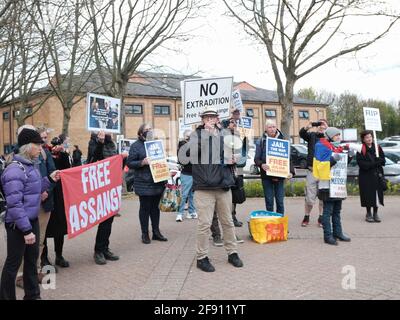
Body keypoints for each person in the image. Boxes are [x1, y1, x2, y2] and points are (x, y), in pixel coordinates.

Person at [0, 128, 60, 300]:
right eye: (38, 145)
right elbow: (14, 203)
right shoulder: (14, 170)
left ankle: (33, 295)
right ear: (27, 146)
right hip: (18, 225)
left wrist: (49, 179)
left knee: (31, 262)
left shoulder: (31, 166)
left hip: (31, 221)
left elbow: (33, 191)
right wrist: (26, 231)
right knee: (13, 264)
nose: (41, 148)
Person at [188, 106, 243, 272]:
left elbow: (237, 155)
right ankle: (202, 257)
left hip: (223, 185)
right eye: (207, 117)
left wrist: (235, 158)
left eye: (214, 117)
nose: (211, 119)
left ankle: (232, 252)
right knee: (204, 224)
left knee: (227, 221)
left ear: (218, 119)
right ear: (203, 120)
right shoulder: (195, 135)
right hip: (204, 187)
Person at [15, 126, 57, 289]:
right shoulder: (16, 158)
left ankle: (35, 270)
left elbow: (52, 172)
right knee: (23, 241)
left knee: (39, 241)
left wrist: (46, 189)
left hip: (44, 204)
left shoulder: (44, 153)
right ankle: (20, 275)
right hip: (27, 207)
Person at [127, 124, 168, 244]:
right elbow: (130, 163)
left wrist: (165, 172)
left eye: (151, 129)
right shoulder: (136, 146)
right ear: (140, 133)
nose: (149, 131)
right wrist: (142, 162)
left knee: (155, 209)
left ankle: (156, 232)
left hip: (157, 180)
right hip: (143, 182)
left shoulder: (156, 143)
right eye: (147, 130)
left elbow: (161, 160)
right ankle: (145, 233)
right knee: (145, 208)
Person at [313, 127, 352, 245]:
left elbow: (341, 165)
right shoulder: (320, 146)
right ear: (329, 136)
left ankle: (338, 233)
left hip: (337, 184)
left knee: (337, 211)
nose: (339, 138)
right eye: (336, 135)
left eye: (339, 135)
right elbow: (320, 165)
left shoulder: (336, 148)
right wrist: (334, 158)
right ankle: (327, 235)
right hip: (327, 185)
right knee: (327, 211)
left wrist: (349, 157)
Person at [88, 130, 121, 264]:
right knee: (103, 220)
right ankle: (98, 251)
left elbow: (116, 164)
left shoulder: (112, 145)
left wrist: (123, 158)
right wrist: (100, 143)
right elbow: (93, 159)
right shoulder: (94, 142)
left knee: (109, 220)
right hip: (100, 187)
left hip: (111, 186)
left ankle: (105, 248)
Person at [42, 134, 71, 269]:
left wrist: (63, 154)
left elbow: (67, 170)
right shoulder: (40, 153)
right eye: (43, 137)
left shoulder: (60, 154)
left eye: (46, 137)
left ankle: (59, 255)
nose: (45, 139)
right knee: (44, 229)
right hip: (46, 194)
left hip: (59, 195)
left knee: (59, 227)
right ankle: (44, 259)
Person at [254, 120, 290, 214]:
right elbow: (256, 159)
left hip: (280, 175)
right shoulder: (261, 141)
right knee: (269, 202)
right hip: (266, 176)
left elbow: (288, 158)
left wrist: (291, 171)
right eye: (270, 127)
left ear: (276, 127)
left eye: (274, 127)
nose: (272, 129)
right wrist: (261, 164)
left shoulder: (283, 140)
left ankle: (280, 225)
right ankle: (271, 223)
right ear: (266, 128)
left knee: (280, 202)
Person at [299, 120, 328, 227]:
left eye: (323, 125)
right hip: (312, 171)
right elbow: (302, 134)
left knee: (322, 197)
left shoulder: (328, 137)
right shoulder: (312, 136)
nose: (321, 126)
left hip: (324, 172)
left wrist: (327, 131)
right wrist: (308, 127)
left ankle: (321, 217)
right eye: (319, 124)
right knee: (310, 198)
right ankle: (306, 216)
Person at [356, 130, 386, 223]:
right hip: (366, 176)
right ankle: (368, 213)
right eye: (367, 137)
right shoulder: (361, 149)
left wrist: (378, 160)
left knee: (377, 194)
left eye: (370, 137)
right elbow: (362, 164)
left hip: (377, 174)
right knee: (368, 194)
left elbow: (383, 161)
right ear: (363, 139)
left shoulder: (377, 148)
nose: (369, 139)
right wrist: (375, 163)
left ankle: (375, 213)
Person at [176, 129, 197, 222]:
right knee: (184, 194)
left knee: (192, 194)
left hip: (194, 173)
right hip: (186, 174)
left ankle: (191, 212)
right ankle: (179, 213)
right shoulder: (182, 145)